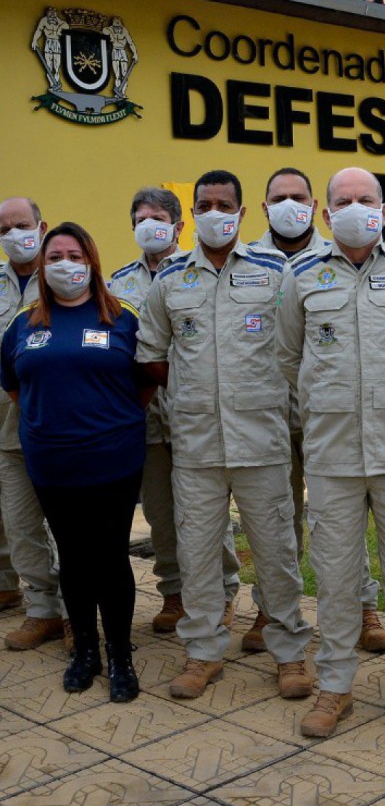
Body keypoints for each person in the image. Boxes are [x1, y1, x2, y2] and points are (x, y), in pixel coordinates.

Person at [276, 166, 385, 740]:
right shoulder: (299, 274)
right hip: (331, 457)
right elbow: (288, 357)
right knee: (334, 576)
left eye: (367, 199)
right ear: (326, 216)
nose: (356, 208)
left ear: (383, 210)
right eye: (344, 201)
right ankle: (335, 686)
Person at [136, 169, 313, 700]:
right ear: (192, 215)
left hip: (262, 440)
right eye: (205, 204)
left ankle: (289, 651)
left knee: (277, 550)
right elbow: (152, 356)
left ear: (241, 213)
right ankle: (203, 651)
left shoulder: (278, 271)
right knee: (198, 552)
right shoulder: (170, 281)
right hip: (195, 444)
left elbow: (300, 349)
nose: (215, 213)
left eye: (224, 205)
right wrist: (196, 392)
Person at [246, 167, 385, 656]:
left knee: (342, 513)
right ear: (265, 207)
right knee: (274, 516)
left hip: (333, 412)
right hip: (266, 410)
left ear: (314, 206)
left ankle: (365, 606)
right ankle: (272, 607)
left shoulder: (336, 256)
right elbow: (284, 350)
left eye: (299, 196)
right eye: (279, 196)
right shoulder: (247, 259)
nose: (291, 204)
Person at [1, 222, 146, 703]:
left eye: (76, 255)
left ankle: (121, 655)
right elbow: (16, 385)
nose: (66, 264)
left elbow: (146, 380)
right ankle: (85, 651)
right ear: (43, 265)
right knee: (74, 559)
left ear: (92, 261)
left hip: (113, 461)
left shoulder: (122, 316)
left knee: (110, 558)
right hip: (51, 463)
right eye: (56, 255)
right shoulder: (24, 323)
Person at [109, 187, 238, 634]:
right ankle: (174, 593)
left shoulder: (195, 272)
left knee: (207, 514)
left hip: (197, 416)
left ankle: (222, 591)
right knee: (163, 514)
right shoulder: (117, 284)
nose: (150, 224)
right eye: (141, 217)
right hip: (146, 420)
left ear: (179, 226)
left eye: (159, 217)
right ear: (132, 226)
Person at [0, 196, 65, 651]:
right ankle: (42, 610)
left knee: (66, 527)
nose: (13, 234)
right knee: (22, 527)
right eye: (4, 228)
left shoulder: (65, 278)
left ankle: (72, 609)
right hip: (7, 433)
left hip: (58, 431)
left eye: (21, 224)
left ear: (41, 227)